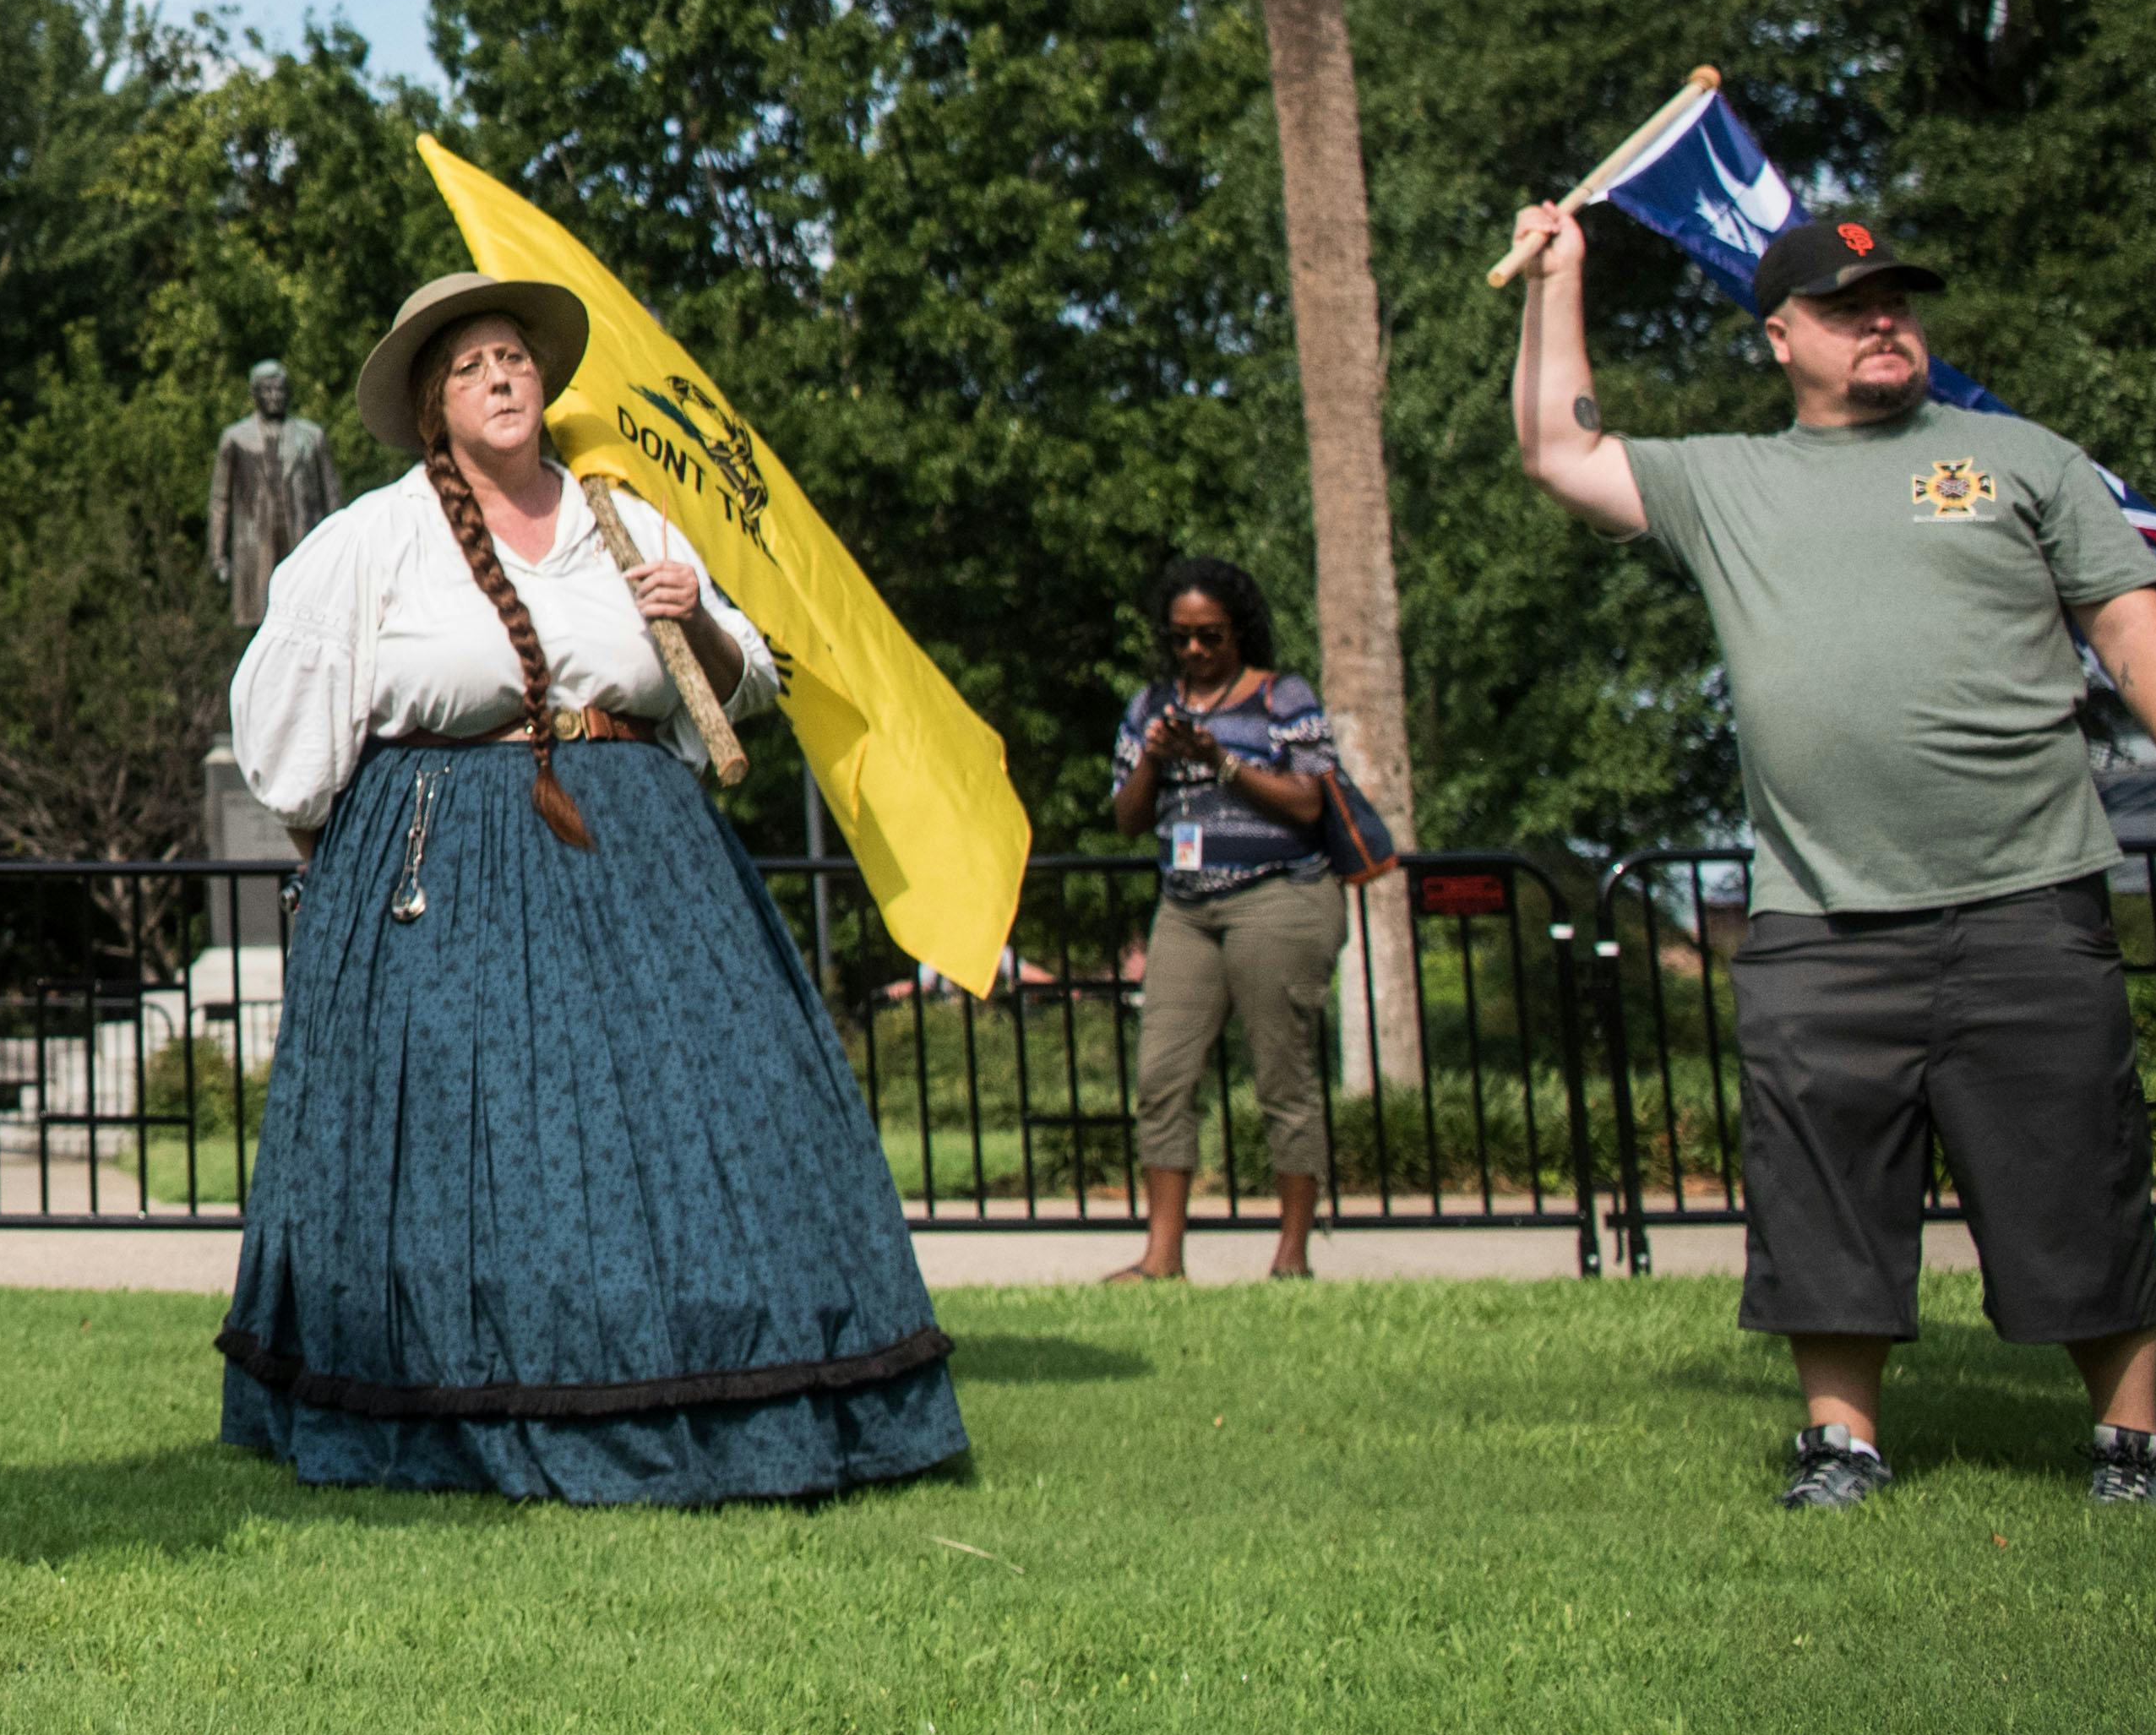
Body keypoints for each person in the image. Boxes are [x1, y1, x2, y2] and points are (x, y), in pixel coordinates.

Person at [1507, 199, 2156, 1509]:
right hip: (1818, 915)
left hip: (2027, 890)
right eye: (1846, 306)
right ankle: (1841, 1445)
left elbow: (2136, 626)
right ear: (1778, 338)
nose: (1883, 321)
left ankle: (2132, 1439)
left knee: (2073, 1170)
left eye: (1896, 302)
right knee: (1819, 1185)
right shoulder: (1726, 480)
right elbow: (1556, 449)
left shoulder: (2019, 458)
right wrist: (1559, 278)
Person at [219, 270, 966, 1509]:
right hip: (444, 870)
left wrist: (704, 625)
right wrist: (346, 892)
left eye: (512, 356)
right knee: (481, 1139)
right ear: (428, 407)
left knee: (698, 1123)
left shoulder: (629, 523)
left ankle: (730, 1391)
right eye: (467, 366)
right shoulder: (370, 541)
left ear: (546, 378)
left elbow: (742, 682)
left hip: (645, 871)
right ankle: (472, 1403)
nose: (499, 377)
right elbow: (290, 740)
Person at [1099, 554, 1343, 1285]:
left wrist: (1221, 760)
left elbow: (1310, 802)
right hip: (1185, 906)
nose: (1195, 651)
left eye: (1210, 636)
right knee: (1162, 1076)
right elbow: (1125, 818)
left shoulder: (1281, 698)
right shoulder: (1149, 707)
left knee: (1283, 1077)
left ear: (1239, 630)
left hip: (1279, 898)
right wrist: (1153, 757)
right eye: (1181, 638)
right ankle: (1161, 1257)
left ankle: (1291, 1257)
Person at [207, 359, 339, 627]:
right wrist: (218, 555)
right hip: (255, 546)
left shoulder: (311, 437)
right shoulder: (235, 438)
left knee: (307, 621)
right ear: (254, 394)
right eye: (267, 391)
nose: (275, 396)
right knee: (261, 625)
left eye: (280, 390)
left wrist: (340, 549)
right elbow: (220, 501)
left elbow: (332, 497)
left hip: (302, 540)